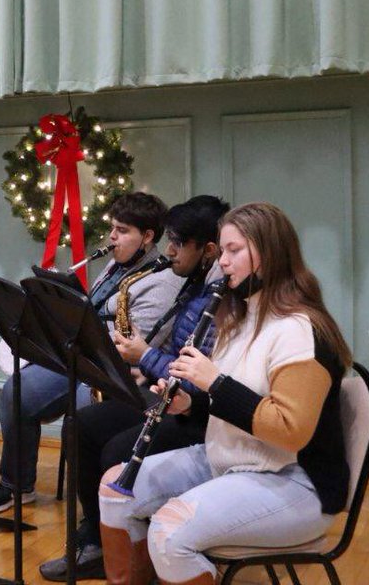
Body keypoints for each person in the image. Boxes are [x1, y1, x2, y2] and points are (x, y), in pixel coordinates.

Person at [98, 202, 352, 585]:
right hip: (230, 459)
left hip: (296, 481)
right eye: (223, 250)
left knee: (169, 532)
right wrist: (190, 401)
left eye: (235, 251)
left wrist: (213, 382)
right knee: (115, 491)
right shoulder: (243, 315)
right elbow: (234, 397)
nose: (224, 262)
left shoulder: (301, 330)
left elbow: (290, 429)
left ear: (269, 255)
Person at [38, 195, 229, 581]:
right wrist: (151, 364)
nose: (170, 250)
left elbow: (197, 376)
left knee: (114, 449)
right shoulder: (193, 284)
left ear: (207, 250)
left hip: (198, 412)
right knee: (83, 424)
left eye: (177, 243)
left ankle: (131, 551)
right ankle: (97, 537)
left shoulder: (217, 295)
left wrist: (145, 357)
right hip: (169, 392)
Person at [0, 192, 183, 513]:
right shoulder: (116, 264)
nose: (112, 237)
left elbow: (130, 346)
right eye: (112, 227)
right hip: (77, 355)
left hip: (112, 373)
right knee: (16, 390)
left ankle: (94, 510)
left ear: (147, 237)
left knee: (84, 416)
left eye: (123, 230)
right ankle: (16, 485)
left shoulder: (162, 281)